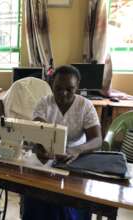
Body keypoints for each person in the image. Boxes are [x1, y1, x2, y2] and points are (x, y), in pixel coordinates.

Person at [23, 65, 102, 220]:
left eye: (69, 89)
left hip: (76, 157)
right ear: (52, 83)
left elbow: (97, 139)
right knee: (37, 194)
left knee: (70, 198)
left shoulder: (85, 106)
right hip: (49, 157)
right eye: (58, 88)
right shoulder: (44, 104)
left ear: (77, 85)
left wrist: (77, 150)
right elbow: (40, 133)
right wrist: (40, 147)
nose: (63, 93)